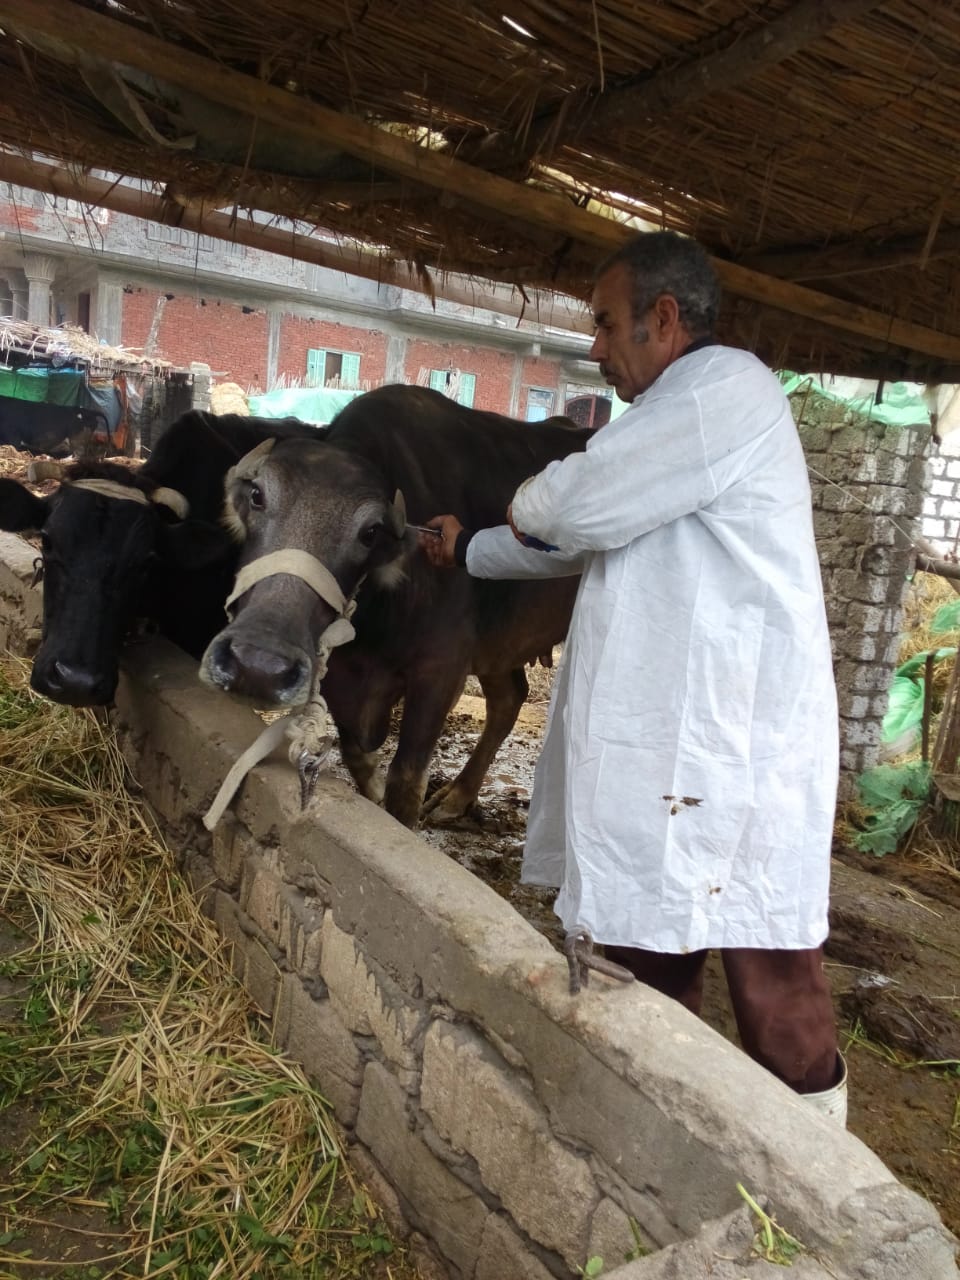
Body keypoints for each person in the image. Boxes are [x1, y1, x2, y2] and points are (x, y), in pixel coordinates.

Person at [419, 230, 845, 1123]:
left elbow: (570, 509)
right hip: (670, 747)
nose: (596, 346)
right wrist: (471, 552)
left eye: (607, 324)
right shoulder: (672, 421)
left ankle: (817, 1176)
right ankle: (644, 1138)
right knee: (644, 954)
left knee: (774, 987)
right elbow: (581, 539)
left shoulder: (723, 389)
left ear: (665, 317)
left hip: (732, 745)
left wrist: (522, 503)